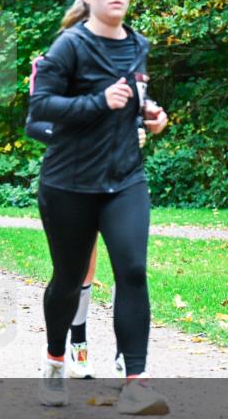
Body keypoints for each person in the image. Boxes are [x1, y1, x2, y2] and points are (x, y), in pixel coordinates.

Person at [28, 0, 169, 414]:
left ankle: (136, 383)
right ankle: (54, 362)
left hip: (125, 178)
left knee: (132, 270)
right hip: (68, 182)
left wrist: (152, 116)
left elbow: (137, 100)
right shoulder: (69, 46)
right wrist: (98, 101)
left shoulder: (138, 45)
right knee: (69, 279)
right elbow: (41, 107)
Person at [25, 119, 147, 379]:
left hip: (120, 179)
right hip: (74, 180)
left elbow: (136, 111)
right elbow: (36, 122)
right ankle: (76, 347)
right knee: (79, 271)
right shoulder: (62, 79)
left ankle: (126, 356)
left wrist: (141, 127)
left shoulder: (126, 78)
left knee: (128, 266)